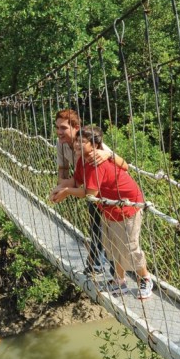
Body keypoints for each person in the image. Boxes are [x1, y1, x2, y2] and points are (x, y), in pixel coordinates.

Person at [50, 126, 153, 300]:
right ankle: (119, 281)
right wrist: (59, 188)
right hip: (109, 207)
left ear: (95, 145)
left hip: (128, 206)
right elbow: (77, 180)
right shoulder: (83, 160)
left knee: (129, 247)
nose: (76, 145)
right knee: (113, 244)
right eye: (76, 140)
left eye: (82, 142)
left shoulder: (98, 162)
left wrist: (66, 191)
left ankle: (145, 279)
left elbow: (90, 193)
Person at [49, 109, 127, 277]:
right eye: (57, 127)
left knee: (108, 232)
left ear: (76, 127)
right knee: (95, 228)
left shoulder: (91, 142)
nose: (59, 132)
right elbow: (63, 170)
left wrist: (107, 154)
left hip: (109, 193)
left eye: (63, 128)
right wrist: (58, 189)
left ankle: (113, 273)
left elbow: (124, 166)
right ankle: (96, 266)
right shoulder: (61, 143)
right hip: (90, 187)